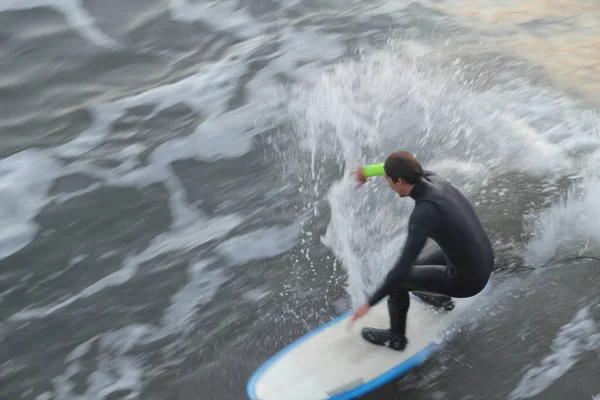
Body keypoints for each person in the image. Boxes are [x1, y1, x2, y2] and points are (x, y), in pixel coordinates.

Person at [350, 151, 494, 351]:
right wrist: (366, 171)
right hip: (484, 258)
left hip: (470, 281)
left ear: (399, 181)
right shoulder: (431, 178)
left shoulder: (424, 213)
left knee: (398, 281)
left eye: (388, 180)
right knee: (416, 268)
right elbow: (394, 166)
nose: (388, 185)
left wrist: (369, 303)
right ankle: (439, 297)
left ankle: (396, 338)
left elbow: (401, 268)